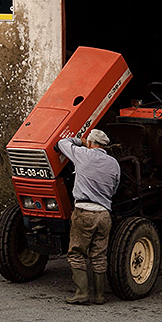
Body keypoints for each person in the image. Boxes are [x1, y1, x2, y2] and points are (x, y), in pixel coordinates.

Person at [56, 129, 121, 305]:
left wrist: (81, 141)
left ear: (91, 143)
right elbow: (114, 188)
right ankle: (100, 296)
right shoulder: (114, 163)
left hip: (84, 212)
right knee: (99, 255)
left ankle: (81, 293)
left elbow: (62, 144)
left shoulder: (83, 154)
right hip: (104, 214)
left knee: (77, 253)